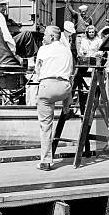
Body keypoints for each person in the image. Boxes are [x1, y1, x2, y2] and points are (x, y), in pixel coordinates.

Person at [34, 26, 74, 171]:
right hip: (64, 88)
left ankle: (45, 161)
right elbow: (70, 71)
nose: (43, 38)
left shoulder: (43, 49)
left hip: (47, 87)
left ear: (52, 37)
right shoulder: (67, 50)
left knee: (45, 126)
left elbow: (37, 69)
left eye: (45, 35)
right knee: (69, 85)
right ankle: (66, 108)